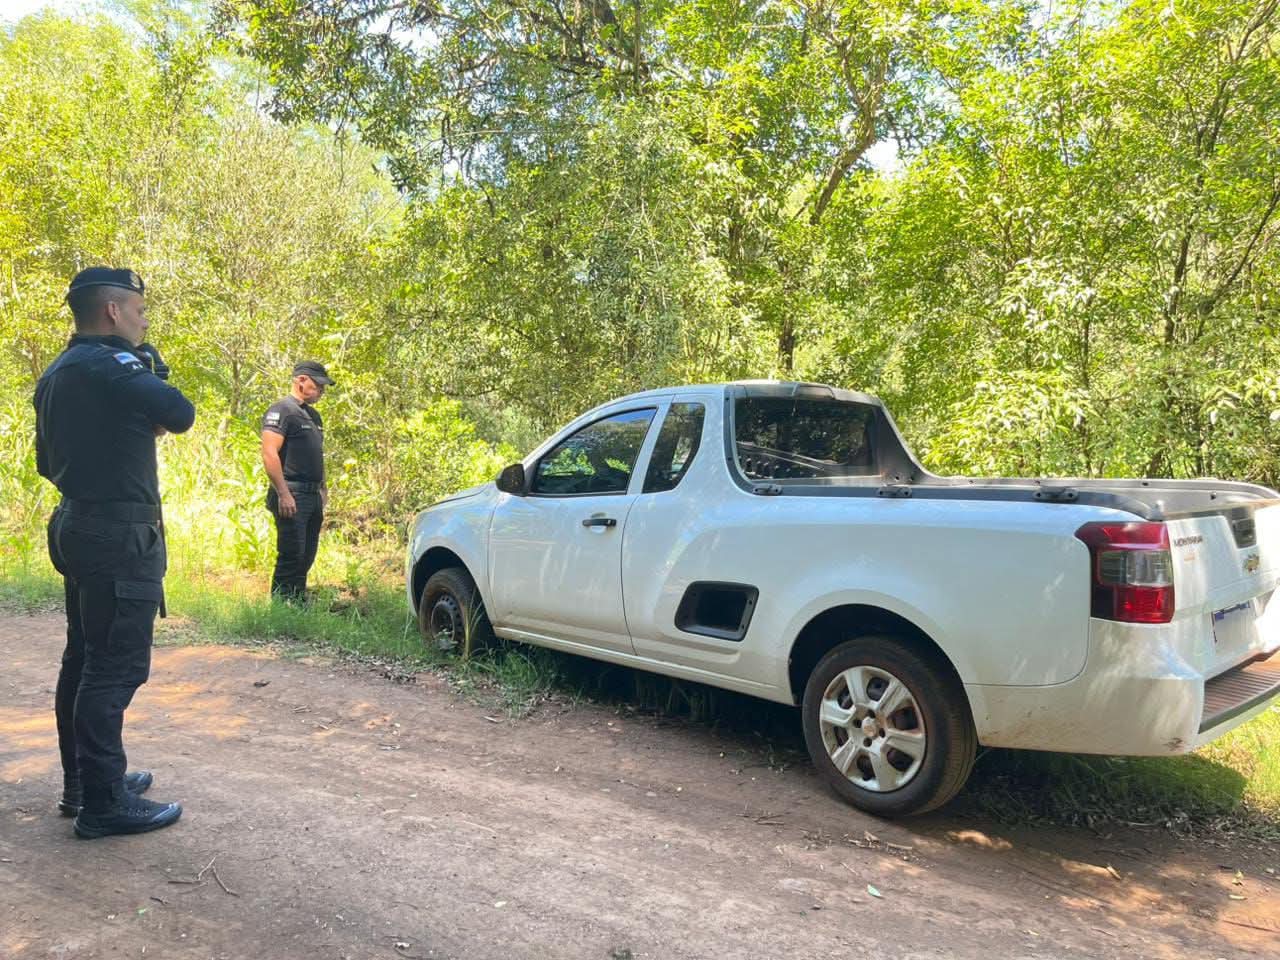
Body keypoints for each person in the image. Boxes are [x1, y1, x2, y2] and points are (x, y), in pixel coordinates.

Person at [35, 267, 196, 839]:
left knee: (83, 659)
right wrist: (148, 365)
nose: (144, 321)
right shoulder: (111, 366)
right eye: (140, 311)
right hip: (117, 535)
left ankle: (85, 783)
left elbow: (44, 462)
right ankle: (104, 804)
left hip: (77, 522)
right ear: (112, 311)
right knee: (113, 667)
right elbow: (180, 413)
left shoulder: (58, 372)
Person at [260, 361, 333, 600]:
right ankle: (281, 605)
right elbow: (269, 452)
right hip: (291, 492)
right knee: (292, 553)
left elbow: (316, 455)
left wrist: (323, 488)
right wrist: (283, 493)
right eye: (318, 384)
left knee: (307, 554)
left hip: (312, 494)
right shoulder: (282, 411)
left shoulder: (314, 416)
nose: (321, 390)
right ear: (300, 380)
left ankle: (298, 601)